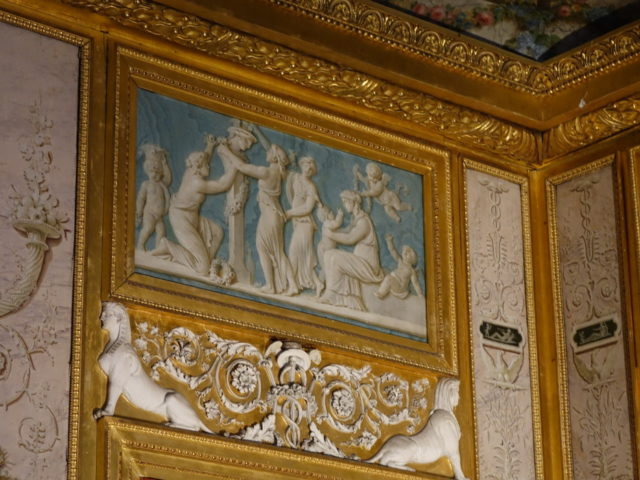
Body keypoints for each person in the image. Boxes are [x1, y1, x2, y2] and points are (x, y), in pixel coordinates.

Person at [152, 128, 255, 275]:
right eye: (207, 165)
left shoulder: (193, 169)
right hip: (181, 219)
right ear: (199, 168)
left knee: (217, 232)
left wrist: (210, 146)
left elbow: (204, 157)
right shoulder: (197, 183)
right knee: (202, 269)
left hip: (192, 216)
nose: (209, 166)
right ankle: (168, 246)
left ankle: (207, 261)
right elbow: (222, 185)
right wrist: (235, 165)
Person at [225, 130, 299, 295]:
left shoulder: (266, 172)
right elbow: (269, 147)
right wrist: (257, 131)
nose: (266, 152)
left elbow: (241, 167)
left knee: (263, 248)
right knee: (278, 252)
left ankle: (271, 285)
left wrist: (225, 151)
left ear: (274, 157)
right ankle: (292, 285)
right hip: (276, 215)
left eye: (269, 152)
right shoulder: (278, 173)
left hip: (269, 217)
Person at [320, 190, 383, 311]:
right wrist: (332, 232)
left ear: (353, 202)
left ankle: (331, 294)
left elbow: (350, 238)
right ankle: (343, 297)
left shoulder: (363, 221)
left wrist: (330, 234)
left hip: (368, 266)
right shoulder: (356, 219)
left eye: (345, 202)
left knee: (334, 257)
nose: (344, 205)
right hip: (360, 261)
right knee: (329, 254)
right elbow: (346, 232)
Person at [285, 156, 323, 294]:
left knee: (294, 253)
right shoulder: (295, 177)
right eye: (306, 166)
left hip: (305, 224)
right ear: (301, 166)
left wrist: (290, 213)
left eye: (311, 168)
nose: (308, 169)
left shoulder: (311, 187)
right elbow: (288, 186)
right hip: (297, 223)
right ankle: (318, 283)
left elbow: (307, 208)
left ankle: (292, 286)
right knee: (303, 258)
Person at [136, 144, 172, 251]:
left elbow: (168, 178)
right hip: (149, 213)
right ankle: (140, 245)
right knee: (148, 228)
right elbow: (141, 199)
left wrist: (165, 165)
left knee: (162, 232)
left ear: (161, 173)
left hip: (159, 216)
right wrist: (139, 211)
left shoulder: (162, 184)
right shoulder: (146, 184)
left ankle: (157, 250)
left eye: (157, 172)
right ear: (147, 171)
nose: (155, 174)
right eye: (152, 171)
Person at [375, 233, 424, 299]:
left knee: (388, 278)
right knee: (386, 275)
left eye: (408, 253)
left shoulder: (411, 270)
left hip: (400, 288)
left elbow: (415, 283)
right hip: (395, 282)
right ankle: (383, 289)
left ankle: (380, 294)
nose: (406, 253)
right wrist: (389, 241)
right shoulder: (400, 261)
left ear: (412, 259)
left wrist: (420, 294)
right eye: (405, 252)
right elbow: (393, 251)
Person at [316, 205, 343, 282]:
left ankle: (321, 282)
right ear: (326, 216)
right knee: (326, 267)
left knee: (325, 267)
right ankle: (321, 282)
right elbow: (337, 223)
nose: (332, 213)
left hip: (324, 247)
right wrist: (340, 215)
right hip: (326, 248)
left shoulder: (326, 224)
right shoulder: (327, 223)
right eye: (330, 212)